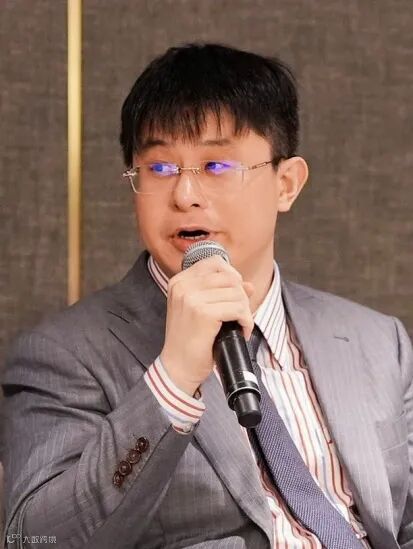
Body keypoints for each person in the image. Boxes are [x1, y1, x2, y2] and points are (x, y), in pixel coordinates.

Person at [1, 43, 412, 549]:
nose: (185, 195)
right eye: (160, 169)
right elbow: (35, 538)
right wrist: (173, 379)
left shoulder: (376, 340)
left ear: (287, 184)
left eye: (216, 166)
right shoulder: (64, 354)